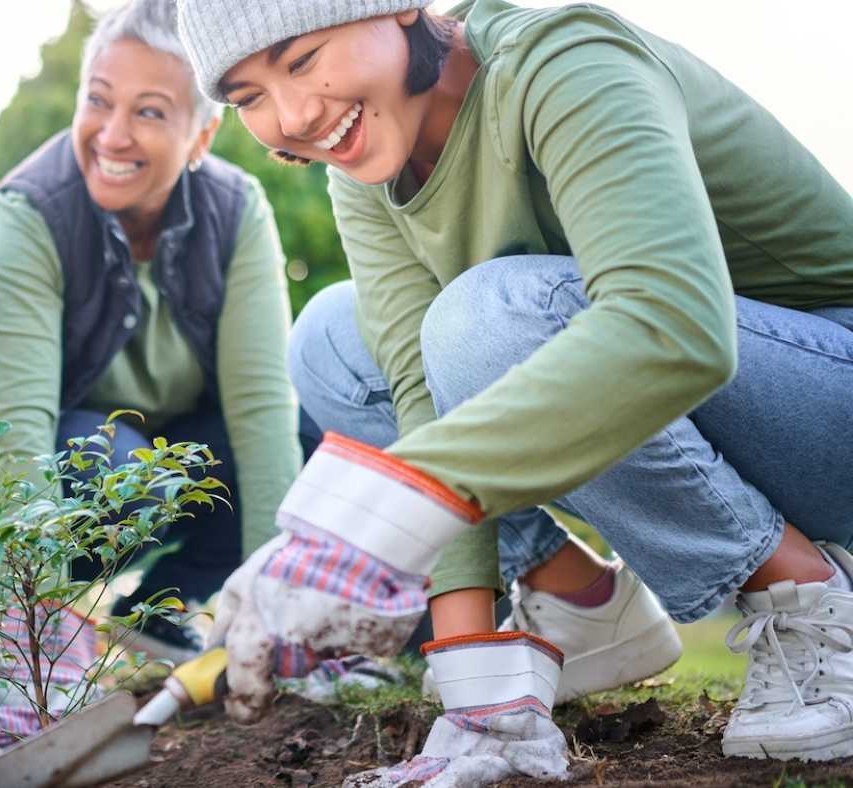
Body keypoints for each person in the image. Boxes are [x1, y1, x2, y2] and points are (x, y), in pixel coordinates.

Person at [173, 0, 853, 783]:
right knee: (332, 339)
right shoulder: (368, 158)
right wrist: (481, 699)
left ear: (394, 9)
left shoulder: (563, 59)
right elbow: (417, 399)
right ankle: (582, 608)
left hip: (823, 405)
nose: (292, 115)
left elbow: (674, 326)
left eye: (300, 59)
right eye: (248, 96)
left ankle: (809, 604)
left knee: (485, 319)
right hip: (710, 415)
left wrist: (378, 518)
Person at [0, 0, 304, 668]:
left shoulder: (237, 213)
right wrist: (39, 614)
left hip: (163, 454)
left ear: (200, 137)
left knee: (304, 435)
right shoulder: (31, 211)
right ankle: (11, 611)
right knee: (117, 465)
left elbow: (261, 412)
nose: (112, 135)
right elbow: (17, 433)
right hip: (32, 478)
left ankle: (175, 611)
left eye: (149, 111)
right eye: (99, 101)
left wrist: (270, 609)